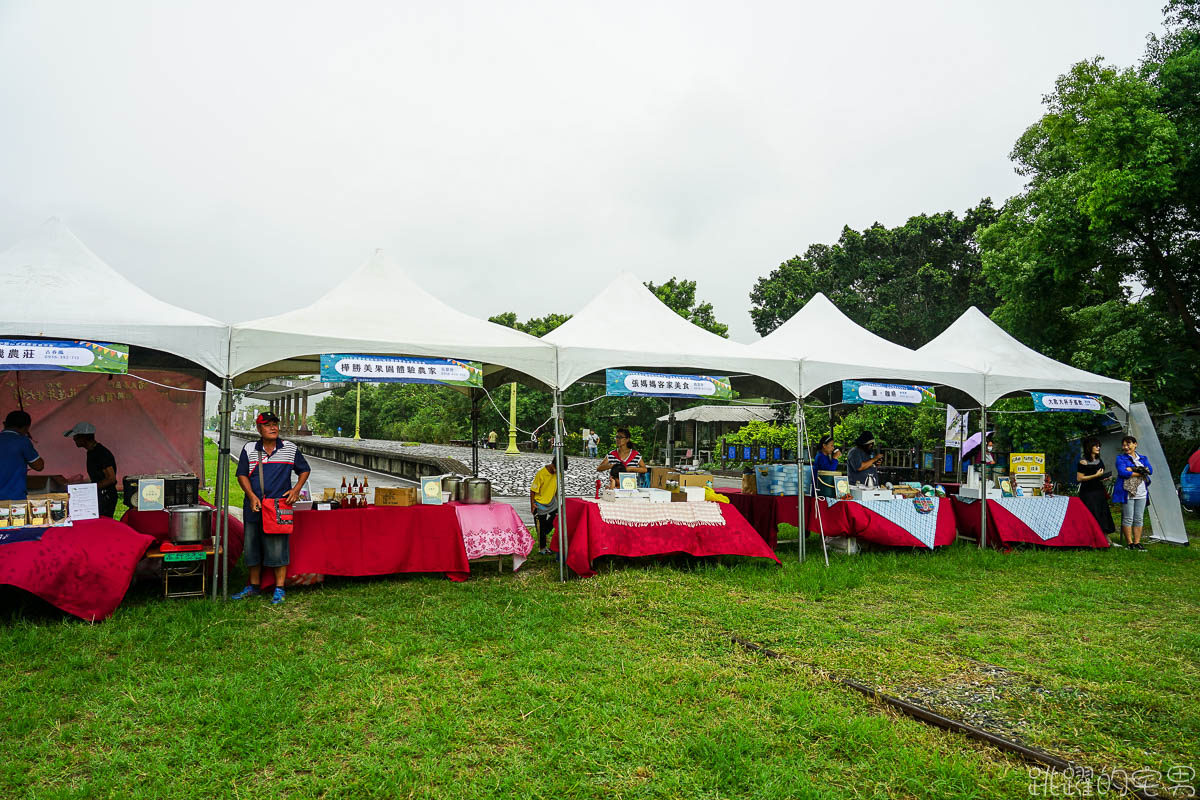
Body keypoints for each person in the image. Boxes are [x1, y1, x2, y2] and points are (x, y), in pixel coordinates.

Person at [233, 411, 311, 604]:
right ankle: (253, 586)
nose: (273, 427)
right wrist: (251, 496)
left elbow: (304, 469)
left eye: (275, 424)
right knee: (252, 547)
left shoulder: (290, 448)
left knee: (278, 547)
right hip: (254, 506)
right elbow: (242, 474)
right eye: (267, 425)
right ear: (259, 429)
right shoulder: (249, 448)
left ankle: (279, 588)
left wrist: (296, 490)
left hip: (278, 507)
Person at [63, 422, 118, 518]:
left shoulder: (100, 453)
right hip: (100, 495)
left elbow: (111, 478)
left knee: (102, 524)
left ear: (84, 437)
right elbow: (98, 475)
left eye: (76, 437)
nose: (74, 439)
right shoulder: (92, 452)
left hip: (106, 497)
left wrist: (89, 489)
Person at [1112, 434, 1153, 551]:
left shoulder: (1143, 458)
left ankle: (1137, 542)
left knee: (1139, 518)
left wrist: (1132, 469)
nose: (1126, 447)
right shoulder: (1120, 458)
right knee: (1128, 518)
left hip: (1142, 492)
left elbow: (1150, 470)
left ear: (1135, 444)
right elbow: (1122, 472)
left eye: (1128, 444)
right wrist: (1141, 471)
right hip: (1127, 492)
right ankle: (1129, 543)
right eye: (1124, 445)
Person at [1075, 435, 1115, 536]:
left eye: (1099, 446)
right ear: (1089, 447)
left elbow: (1099, 475)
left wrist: (1103, 477)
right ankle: (1092, 536)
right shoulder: (1083, 462)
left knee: (1103, 513)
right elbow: (1079, 478)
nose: (1098, 448)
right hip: (1088, 492)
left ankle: (1105, 537)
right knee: (1092, 513)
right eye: (1096, 446)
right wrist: (1095, 475)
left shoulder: (1099, 460)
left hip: (1099, 489)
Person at [0, 411, 43, 501]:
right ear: (26, 428)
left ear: (4, 424)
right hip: (14, 499)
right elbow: (39, 466)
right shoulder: (22, 441)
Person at [529, 456, 567, 555]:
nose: (558, 471)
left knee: (557, 517)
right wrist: (532, 504)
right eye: (557, 469)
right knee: (540, 526)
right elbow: (532, 491)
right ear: (553, 465)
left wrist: (559, 502)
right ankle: (542, 548)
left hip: (552, 502)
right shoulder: (541, 474)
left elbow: (556, 489)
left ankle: (544, 533)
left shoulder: (558, 473)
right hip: (540, 503)